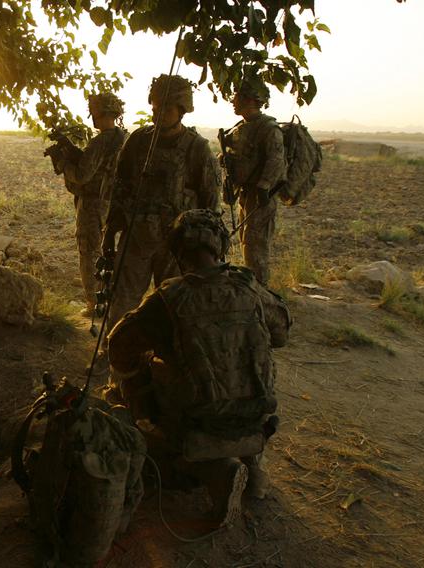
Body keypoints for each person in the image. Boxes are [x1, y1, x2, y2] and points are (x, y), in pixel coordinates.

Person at [106, 209, 291, 527]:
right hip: (258, 413)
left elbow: (118, 345)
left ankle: (216, 471)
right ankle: (254, 468)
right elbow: (281, 335)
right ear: (220, 247)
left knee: (133, 382)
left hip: (199, 421)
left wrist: (142, 377)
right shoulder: (251, 288)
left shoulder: (169, 299)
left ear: (177, 252)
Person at [101, 75, 221, 333]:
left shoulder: (197, 149)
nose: (158, 113)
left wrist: (209, 250)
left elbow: (211, 204)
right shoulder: (137, 141)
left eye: (166, 108)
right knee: (122, 302)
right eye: (155, 106)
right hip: (136, 239)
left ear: (182, 110)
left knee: (176, 308)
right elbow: (119, 189)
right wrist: (110, 231)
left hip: (177, 244)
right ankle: (117, 356)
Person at [60, 93, 128, 317]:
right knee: (108, 251)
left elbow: (82, 174)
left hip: (93, 203)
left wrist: (64, 163)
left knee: (89, 250)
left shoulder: (101, 141)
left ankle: (94, 304)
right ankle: (108, 298)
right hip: (112, 202)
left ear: (101, 113)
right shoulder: (123, 138)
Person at [220, 80, 287, 285]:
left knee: (255, 246)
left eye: (237, 97)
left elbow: (276, 159)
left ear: (250, 100)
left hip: (259, 197)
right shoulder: (241, 128)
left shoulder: (268, 128)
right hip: (246, 193)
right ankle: (252, 291)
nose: (233, 101)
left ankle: (260, 293)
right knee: (246, 241)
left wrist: (264, 186)